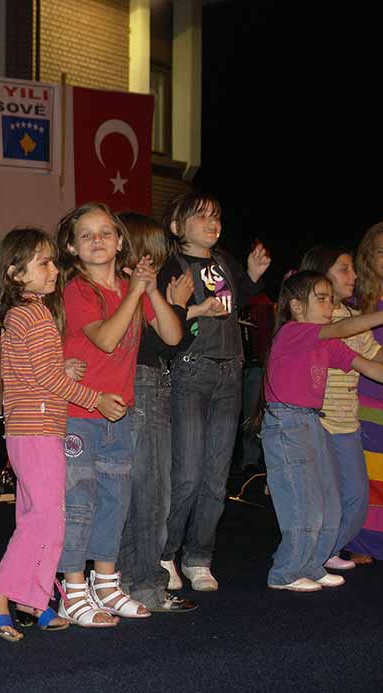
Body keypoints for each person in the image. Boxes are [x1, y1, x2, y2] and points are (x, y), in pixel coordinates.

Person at [0, 227, 125, 641]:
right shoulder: (34, 315)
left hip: (29, 427)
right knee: (47, 519)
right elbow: (49, 379)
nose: (55, 269)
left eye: (54, 260)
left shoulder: (25, 313)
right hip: (37, 429)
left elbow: (36, 373)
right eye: (44, 262)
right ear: (16, 272)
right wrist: (96, 398)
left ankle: (32, 597)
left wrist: (62, 371)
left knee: (35, 515)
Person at [56, 202, 182, 626]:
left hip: (119, 414)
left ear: (120, 241)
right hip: (80, 412)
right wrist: (132, 294)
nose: (97, 241)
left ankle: (106, 583)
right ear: (73, 248)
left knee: (115, 502)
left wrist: (147, 289)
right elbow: (107, 340)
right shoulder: (77, 290)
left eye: (106, 232)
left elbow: (171, 333)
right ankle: (72, 589)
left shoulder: (129, 285)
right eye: (87, 235)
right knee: (80, 502)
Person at [156, 192, 271, 592]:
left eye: (216, 217)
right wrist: (193, 311)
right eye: (201, 217)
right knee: (186, 473)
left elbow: (238, 296)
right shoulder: (171, 266)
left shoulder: (224, 262)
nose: (212, 223)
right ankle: (165, 553)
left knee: (216, 475)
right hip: (191, 372)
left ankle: (199, 556)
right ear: (176, 226)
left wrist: (253, 274)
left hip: (230, 373)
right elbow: (160, 321)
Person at [257, 271, 383, 591]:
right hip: (286, 424)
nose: (329, 304)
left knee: (330, 504)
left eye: (331, 299)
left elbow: (368, 365)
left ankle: (312, 564)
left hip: (311, 421)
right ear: (296, 305)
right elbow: (345, 327)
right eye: (321, 298)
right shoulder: (295, 332)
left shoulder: (326, 343)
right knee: (302, 505)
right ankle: (285, 573)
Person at [115, 213, 199, 614]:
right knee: (148, 493)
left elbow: (172, 336)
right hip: (140, 386)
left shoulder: (140, 289)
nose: (160, 261)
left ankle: (135, 582)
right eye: (153, 252)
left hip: (153, 385)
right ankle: (142, 585)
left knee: (152, 492)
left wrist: (158, 295)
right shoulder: (117, 290)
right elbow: (161, 345)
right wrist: (175, 303)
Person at [300, 246, 383, 570]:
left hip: (346, 421)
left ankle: (326, 550)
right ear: (321, 274)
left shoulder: (354, 317)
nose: (353, 276)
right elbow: (337, 337)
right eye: (344, 269)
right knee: (320, 495)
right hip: (312, 421)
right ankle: (308, 560)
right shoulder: (307, 319)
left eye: (353, 269)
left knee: (356, 495)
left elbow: (373, 356)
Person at [346, 221, 383, 562]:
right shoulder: (353, 301)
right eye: (382, 252)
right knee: (365, 480)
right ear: (368, 256)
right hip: (360, 404)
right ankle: (362, 544)